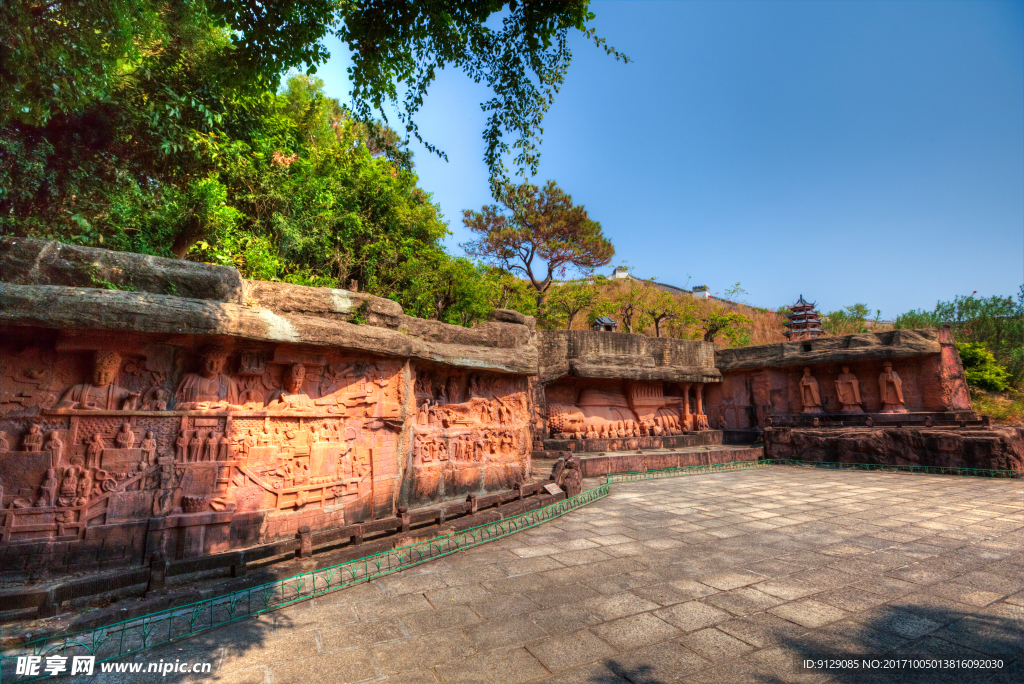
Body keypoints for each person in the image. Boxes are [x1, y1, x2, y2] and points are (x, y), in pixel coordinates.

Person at [57, 350, 139, 410]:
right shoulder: (77, 390)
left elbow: (127, 416)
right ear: (92, 372)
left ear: (114, 375)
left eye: (106, 374)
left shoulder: (122, 393)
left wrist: (131, 400)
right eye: (97, 373)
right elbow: (59, 406)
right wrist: (77, 406)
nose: (101, 377)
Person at [175, 346, 240, 409]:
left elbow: (238, 409)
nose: (213, 366)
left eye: (218, 363)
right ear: (201, 361)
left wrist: (227, 407)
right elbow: (174, 405)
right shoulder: (188, 380)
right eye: (209, 362)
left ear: (223, 362)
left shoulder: (229, 383)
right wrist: (190, 406)